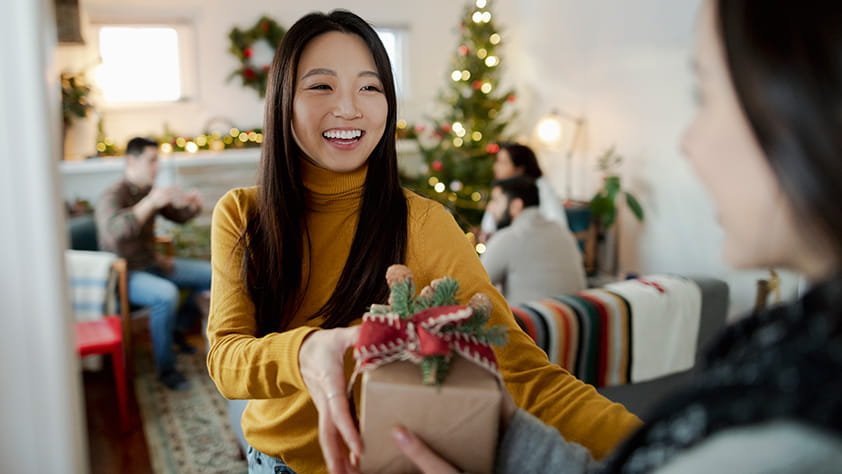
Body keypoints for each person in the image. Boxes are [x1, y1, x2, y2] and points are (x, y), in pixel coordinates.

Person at [393, 0, 842, 472]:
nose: (688, 142)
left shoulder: (795, 435)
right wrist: (507, 432)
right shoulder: (784, 347)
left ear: (809, 101)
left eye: (704, 94)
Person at [205, 10, 640, 474]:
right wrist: (304, 351)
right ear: (283, 102)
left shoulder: (425, 222)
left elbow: (522, 372)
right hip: (272, 462)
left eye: (370, 87)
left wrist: (660, 449)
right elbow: (225, 357)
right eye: (321, 86)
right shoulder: (242, 213)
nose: (349, 108)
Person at [95, 137, 212, 391]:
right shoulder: (111, 195)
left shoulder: (149, 191)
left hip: (156, 265)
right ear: (131, 161)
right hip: (127, 274)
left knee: (213, 274)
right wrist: (150, 203)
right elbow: (114, 233)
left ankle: (179, 328)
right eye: (152, 160)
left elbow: (177, 216)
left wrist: (193, 207)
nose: (157, 167)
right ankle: (166, 370)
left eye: (157, 160)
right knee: (166, 295)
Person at [482, 176, 586, 305]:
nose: (490, 208)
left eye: (496, 201)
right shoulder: (563, 231)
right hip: (571, 317)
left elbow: (474, 286)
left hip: (529, 322)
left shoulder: (510, 237)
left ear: (516, 205)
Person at [480, 143, 568, 241]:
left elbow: (558, 225)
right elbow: (488, 226)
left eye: (503, 163)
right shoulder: (501, 190)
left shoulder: (540, 187)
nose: (496, 167)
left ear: (520, 168)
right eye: (497, 161)